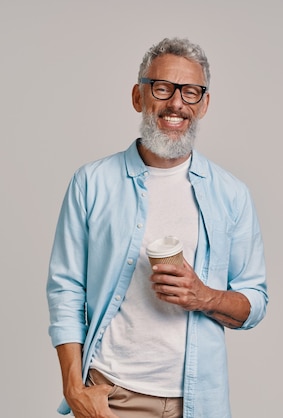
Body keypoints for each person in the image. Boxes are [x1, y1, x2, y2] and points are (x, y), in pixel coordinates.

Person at [47, 37, 268, 418]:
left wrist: (204, 296)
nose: (177, 103)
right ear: (138, 96)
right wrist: (75, 388)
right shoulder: (92, 182)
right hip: (114, 397)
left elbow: (256, 301)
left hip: (199, 402)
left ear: (204, 105)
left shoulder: (232, 195)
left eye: (191, 92)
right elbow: (65, 289)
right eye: (162, 88)